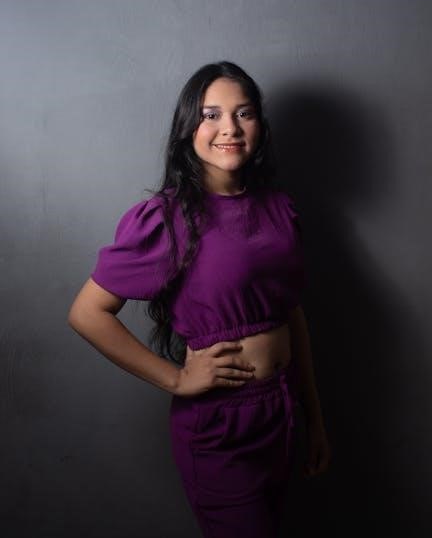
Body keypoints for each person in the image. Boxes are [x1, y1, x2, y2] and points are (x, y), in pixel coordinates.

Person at [67, 61, 331, 537]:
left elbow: (292, 314)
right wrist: (175, 379)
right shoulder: (167, 218)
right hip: (220, 427)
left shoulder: (278, 208)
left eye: (244, 113)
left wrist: (314, 418)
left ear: (259, 125)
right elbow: (87, 313)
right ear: (189, 126)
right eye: (211, 115)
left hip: (282, 413)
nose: (230, 128)